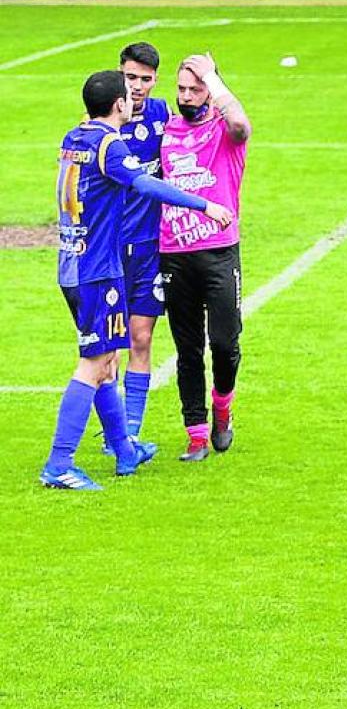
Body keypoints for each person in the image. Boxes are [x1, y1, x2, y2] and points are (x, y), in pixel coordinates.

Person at [44, 70, 231, 490]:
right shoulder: (110, 144)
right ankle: (59, 464)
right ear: (118, 105)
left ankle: (125, 451)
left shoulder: (74, 137)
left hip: (71, 263)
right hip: (97, 269)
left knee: (108, 361)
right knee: (94, 364)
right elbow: (146, 184)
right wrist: (205, 205)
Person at [158, 53, 252, 462]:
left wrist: (213, 79)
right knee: (188, 348)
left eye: (195, 89)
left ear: (212, 93)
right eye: (181, 88)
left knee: (225, 343)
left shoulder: (224, 131)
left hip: (218, 252)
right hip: (174, 254)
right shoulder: (167, 131)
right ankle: (196, 433)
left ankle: (223, 404)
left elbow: (240, 124)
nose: (186, 96)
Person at [114, 40, 173, 446]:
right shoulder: (102, 121)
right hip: (111, 250)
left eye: (144, 79)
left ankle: (130, 433)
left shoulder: (162, 113)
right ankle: (114, 431)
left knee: (142, 337)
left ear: (154, 81)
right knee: (107, 347)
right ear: (119, 74)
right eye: (130, 77)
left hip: (150, 247)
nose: (136, 86)